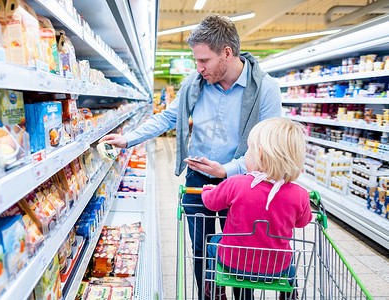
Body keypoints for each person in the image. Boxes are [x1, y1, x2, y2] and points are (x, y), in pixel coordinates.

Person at [100, 14, 282, 298]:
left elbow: (271, 146)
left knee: (241, 250)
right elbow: (167, 118)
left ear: (227, 53)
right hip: (199, 182)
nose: (198, 68)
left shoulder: (266, 89)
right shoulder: (194, 83)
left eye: (204, 61)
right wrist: (127, 139)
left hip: (246, 183)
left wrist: (227, 171)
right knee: (201, 253)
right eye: (196, 61)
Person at [201, 118, 313, 300]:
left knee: (214, 241)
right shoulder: (300, 194)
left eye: (248, 150)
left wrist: (207, 189)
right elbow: (302, 222)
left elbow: (211, 203)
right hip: (276, 268)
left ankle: (215, 290)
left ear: (259, 154)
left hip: (234, 263)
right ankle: (290, 293)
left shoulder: (236, 183)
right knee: (289, 258)